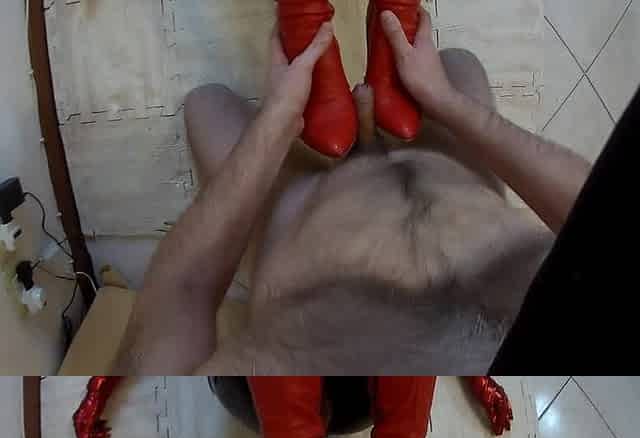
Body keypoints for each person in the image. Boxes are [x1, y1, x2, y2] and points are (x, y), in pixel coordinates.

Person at [112, 8, 592, 375]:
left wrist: (277, 121)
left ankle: (315, 44)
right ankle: (390, 66)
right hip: (450, 171)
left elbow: (181, 294)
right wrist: (448, 103)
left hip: (305, 207)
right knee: (459, 62)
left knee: (206, 104)